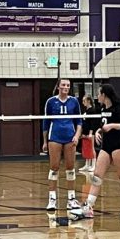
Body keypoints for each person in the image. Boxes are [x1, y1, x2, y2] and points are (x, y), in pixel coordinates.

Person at [82, 83, 120, 219]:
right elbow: (103, 124)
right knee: (97, 176)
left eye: (99, 94)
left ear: (104, 95)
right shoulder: (103, 108)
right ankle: (89, 207)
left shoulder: (118, 108)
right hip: (106, 146)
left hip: (119, 146)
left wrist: (112, 126)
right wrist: (99, 131)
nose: (97, 96)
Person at [42, 78, 83, 214]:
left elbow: (79, 121)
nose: (66, 87)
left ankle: (71, 199)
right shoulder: (51, 101)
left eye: (68, 85)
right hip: (55, 137)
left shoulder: (74, 101)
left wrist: (76, 136)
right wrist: (44, 141)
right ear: (58, 87)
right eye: (63, 85)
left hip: (70, 137)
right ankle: (52, 199)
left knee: (70, 168)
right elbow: (45, 123)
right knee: (54, 167)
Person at [79, 95, 100, 174]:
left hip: (90, 133)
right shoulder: (86, 111)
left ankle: (93, 165)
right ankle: (87, 165)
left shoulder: (92, 111)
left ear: (88, 101)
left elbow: (93, 123)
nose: (83, 103)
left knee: (91, 149)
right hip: (85, 133)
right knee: (86, 149)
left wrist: (91, 133)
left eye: (84, 101)